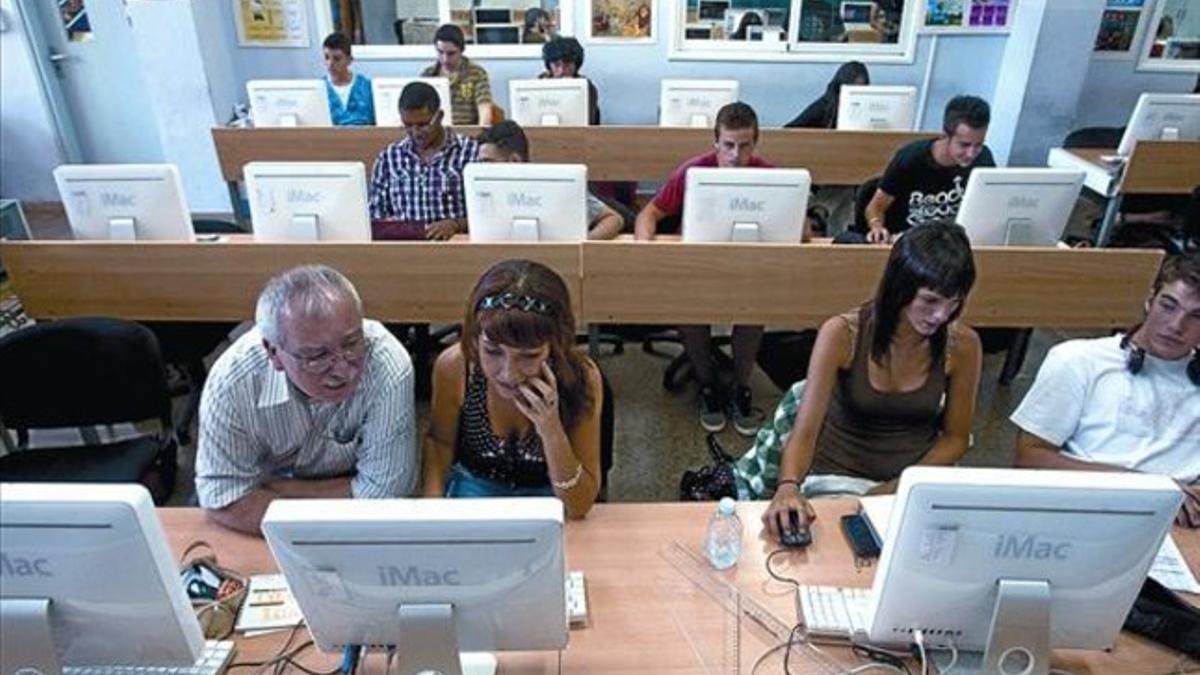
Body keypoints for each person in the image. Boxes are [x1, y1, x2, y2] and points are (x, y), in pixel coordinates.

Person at [758, 222, 982, 540]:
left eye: (953, 303)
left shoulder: (963, 345)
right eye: (930, 301)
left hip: (913, 478)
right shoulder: (843, 334)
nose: (941, 316)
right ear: (900, 289)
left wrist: (897, 487)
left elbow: (956, 438)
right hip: (838, 475)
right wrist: (788, 486)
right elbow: (805, 432)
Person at [195, 265, 418, 535]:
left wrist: (279, 489)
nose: (343, 369)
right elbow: (225, 498)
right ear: (273, 352)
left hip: (279, 505)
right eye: (316, 356)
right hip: (275, 530)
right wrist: (351, 492)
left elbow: (384, 499)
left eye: (352, 344)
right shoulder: (234, 381)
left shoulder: (387, 364)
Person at [635, 102, 791, 436]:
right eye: (729, 145)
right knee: (690, 314)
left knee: (753, 313)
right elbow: (650, 213)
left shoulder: (770, 176)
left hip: (749, 267)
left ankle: (739, 387)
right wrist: (646, 248)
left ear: (756, 142)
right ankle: (707, 384)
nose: (736, 154)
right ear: (716, 142)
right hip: (697, 266)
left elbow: (801, 228)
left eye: (745, 145)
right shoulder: (693, 172)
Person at [1012, 252, 1200, 528]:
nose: (1176, 326)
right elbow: (1029, 458)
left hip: (1182, 524)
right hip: (1091, 512)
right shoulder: (1079, 360)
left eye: (1196, 316)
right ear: (1150, 300)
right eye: (1168, 306)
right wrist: (1149, 489)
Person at [422, 259, 604, 518]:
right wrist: (432, 516)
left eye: (529, 356)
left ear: (555, 346)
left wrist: (551, 431)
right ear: (474, 339)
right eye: (492, 351)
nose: (508, 373)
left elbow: (578, 506)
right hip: (474, 491)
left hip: (549, 500)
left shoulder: (582, 377)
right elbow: (439, 444)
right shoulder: (455, 367)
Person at [861, 95, 995, 243]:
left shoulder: (984, 159)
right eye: (964, 145)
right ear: (945, 135)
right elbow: (875, 207)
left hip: (955, 244)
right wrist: (876, 225)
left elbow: (991, 208)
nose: (971, 154)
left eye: (978, 145)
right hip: (910, 243)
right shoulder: (910, 159)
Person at [475, 120, 624, 239]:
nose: (480, 168)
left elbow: (613, 218)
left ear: (514, 160)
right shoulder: (481, 189)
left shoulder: (554, 183)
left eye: (488, 162)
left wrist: (583, 245)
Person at [368, 81, 479, 239]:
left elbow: (487, 216)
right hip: (404, 248)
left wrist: (456, 224)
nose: (415, 132)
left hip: (456, 245)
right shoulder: (389, 157)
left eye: (423, 124)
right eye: (408, 125)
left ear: (439, 116)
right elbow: (375, 215)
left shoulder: (470, 152)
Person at [420, 24, 494, 127]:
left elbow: (485, 110)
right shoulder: (428, 75)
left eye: (451, 53)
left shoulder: (477, 73)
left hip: (466, 131)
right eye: (440, 52)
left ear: (461, 51)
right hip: (435, 133)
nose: (445, 59)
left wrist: (480, 135)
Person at [785, 61, 869, 129]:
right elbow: (788, 130)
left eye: (860, 89)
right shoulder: (825, 105)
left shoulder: (867, 107)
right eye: (852, 88)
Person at [539, 36, 600, 125]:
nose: (562, 71)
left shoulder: (587, 87)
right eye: (556, 65)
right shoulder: (538, 85)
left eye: (567, 65)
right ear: (549, 66)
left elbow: (590, 122)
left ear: (576, 65)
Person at [321, 32, 375, 126]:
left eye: (336, 58)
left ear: (349, 60)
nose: (330, 64)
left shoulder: (366, 87)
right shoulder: (319, 89)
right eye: (327, 57)